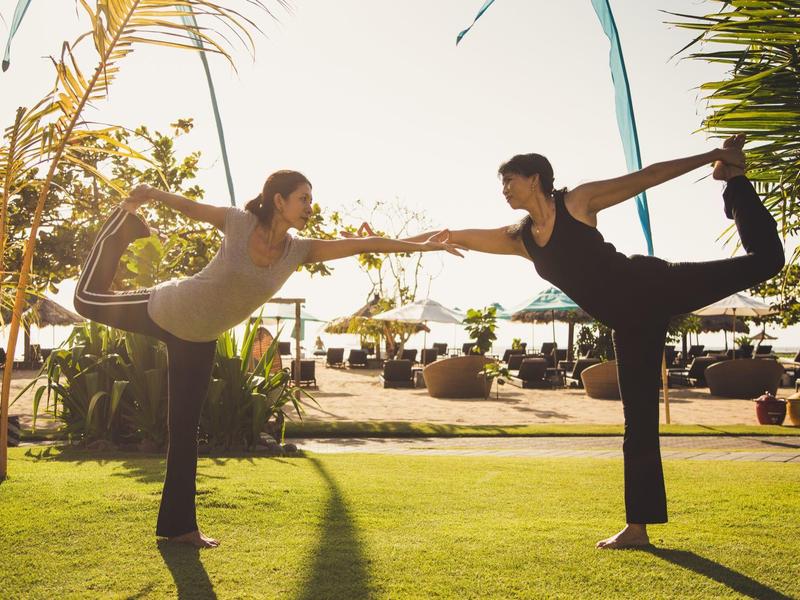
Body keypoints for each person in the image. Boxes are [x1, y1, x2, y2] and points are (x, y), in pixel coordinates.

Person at [411, 134, 784, 548]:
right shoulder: (522, 239)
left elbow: (647, 177)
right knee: (638, 422)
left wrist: (714, 155)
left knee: (768, 260)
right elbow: (452, 236)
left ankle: (732, 180)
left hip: (654, 285)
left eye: (510, 180)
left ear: (535, 179)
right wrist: (396, 245)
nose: (504, 190)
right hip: (630, 322)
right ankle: (637, 529)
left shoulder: (577, 203)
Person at [73, 169, 464, 548]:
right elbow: (191, 206)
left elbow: (368, 244)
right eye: (304, 198)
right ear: (279, 200)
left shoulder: (299, 250)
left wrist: (423, 246)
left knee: (185, 432)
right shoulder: (239, 222)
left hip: (200, 338)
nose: (311, 206)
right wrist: (153, 195)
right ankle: (122, 229)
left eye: (311, 199)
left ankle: (180, 528)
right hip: (169, 307)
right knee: (85, 300)